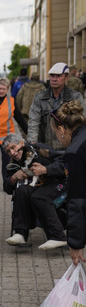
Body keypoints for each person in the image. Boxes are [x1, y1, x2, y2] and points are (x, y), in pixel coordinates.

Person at [1, 133, 67, 250]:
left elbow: (63, 161)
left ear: (21, 143)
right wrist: (14, 178)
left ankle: (57, 236)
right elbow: (7, 188)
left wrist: (46, 169)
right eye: (8, 151)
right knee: (21, 191)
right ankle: (20, 234)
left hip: (56, 182)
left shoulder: (38, 149)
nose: (12, 153)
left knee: (38, 196)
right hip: (37, 186)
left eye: (13, 148)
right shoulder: (14, 163)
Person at [50, 101, 86, 265]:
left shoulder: (74, 152)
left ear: (62, 130)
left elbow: (77, 200)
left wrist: (75, 242)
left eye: (56, 133)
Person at [28, 62, 85, 150]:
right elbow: (33, 121)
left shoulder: (75, 97)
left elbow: (82, 123)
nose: (54, 79)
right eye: (52, 75)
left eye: (58, 76)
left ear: (67, 78)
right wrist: (32, 143)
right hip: (45, 148)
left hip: (67, 148)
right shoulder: (40, 97)